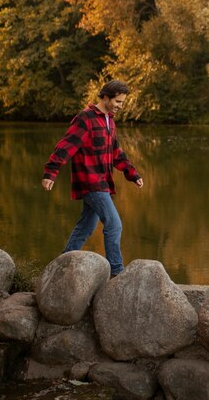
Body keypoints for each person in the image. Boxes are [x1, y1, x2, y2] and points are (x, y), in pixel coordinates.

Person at [41, 80, 143, 277]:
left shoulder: (109, 120)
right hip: (89, 181)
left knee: (86, 226)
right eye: (118, 102)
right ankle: (116, 271)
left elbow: (116, 152)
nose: (120, 106)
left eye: (122, 102)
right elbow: (65, 146)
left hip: (102, 181)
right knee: (114, 223)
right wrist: (50, 172)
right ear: (105, 97)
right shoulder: (85, 119)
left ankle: (62, 266)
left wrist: (132, 173)